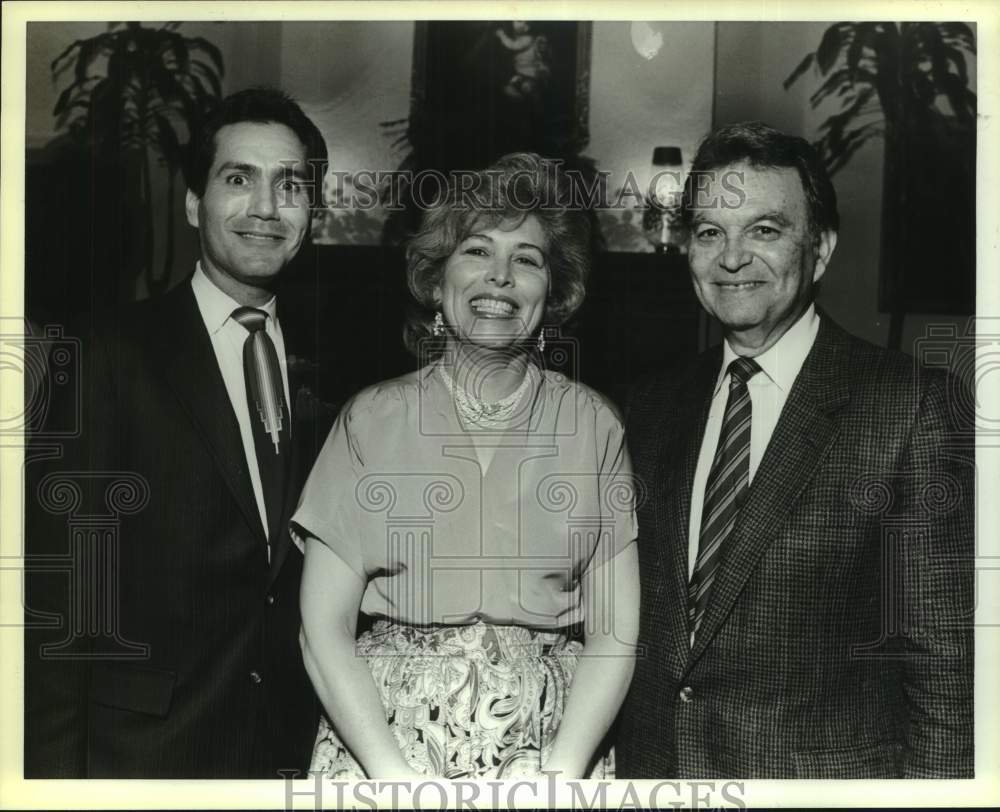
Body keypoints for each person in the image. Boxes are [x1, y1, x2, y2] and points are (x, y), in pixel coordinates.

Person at [616, 121, 974, 778]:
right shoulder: (651, 404)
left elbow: (948, 677)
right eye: (709, 233)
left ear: (822, 248)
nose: (731, 258)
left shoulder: (910, 406)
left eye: (765, 230)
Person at [292, 153, 639, 780]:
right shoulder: (371, 420)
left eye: (527, 260)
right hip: (384, 749)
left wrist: (560, 776)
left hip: (551, 754)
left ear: (553, 294)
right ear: (436, 280)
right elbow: (322, 627)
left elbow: (615, 635)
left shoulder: (594, 426)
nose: (500, 278)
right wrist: (391, 777)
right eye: (477, 251)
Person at [24, 87, 333, 778]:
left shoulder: (338, 370)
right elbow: (62, 591)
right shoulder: (111, 352)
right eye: (237, 179)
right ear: (194, 204)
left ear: (313, 213)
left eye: (291, 186)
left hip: (285, 759)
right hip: (142, 759)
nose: (265, 208)